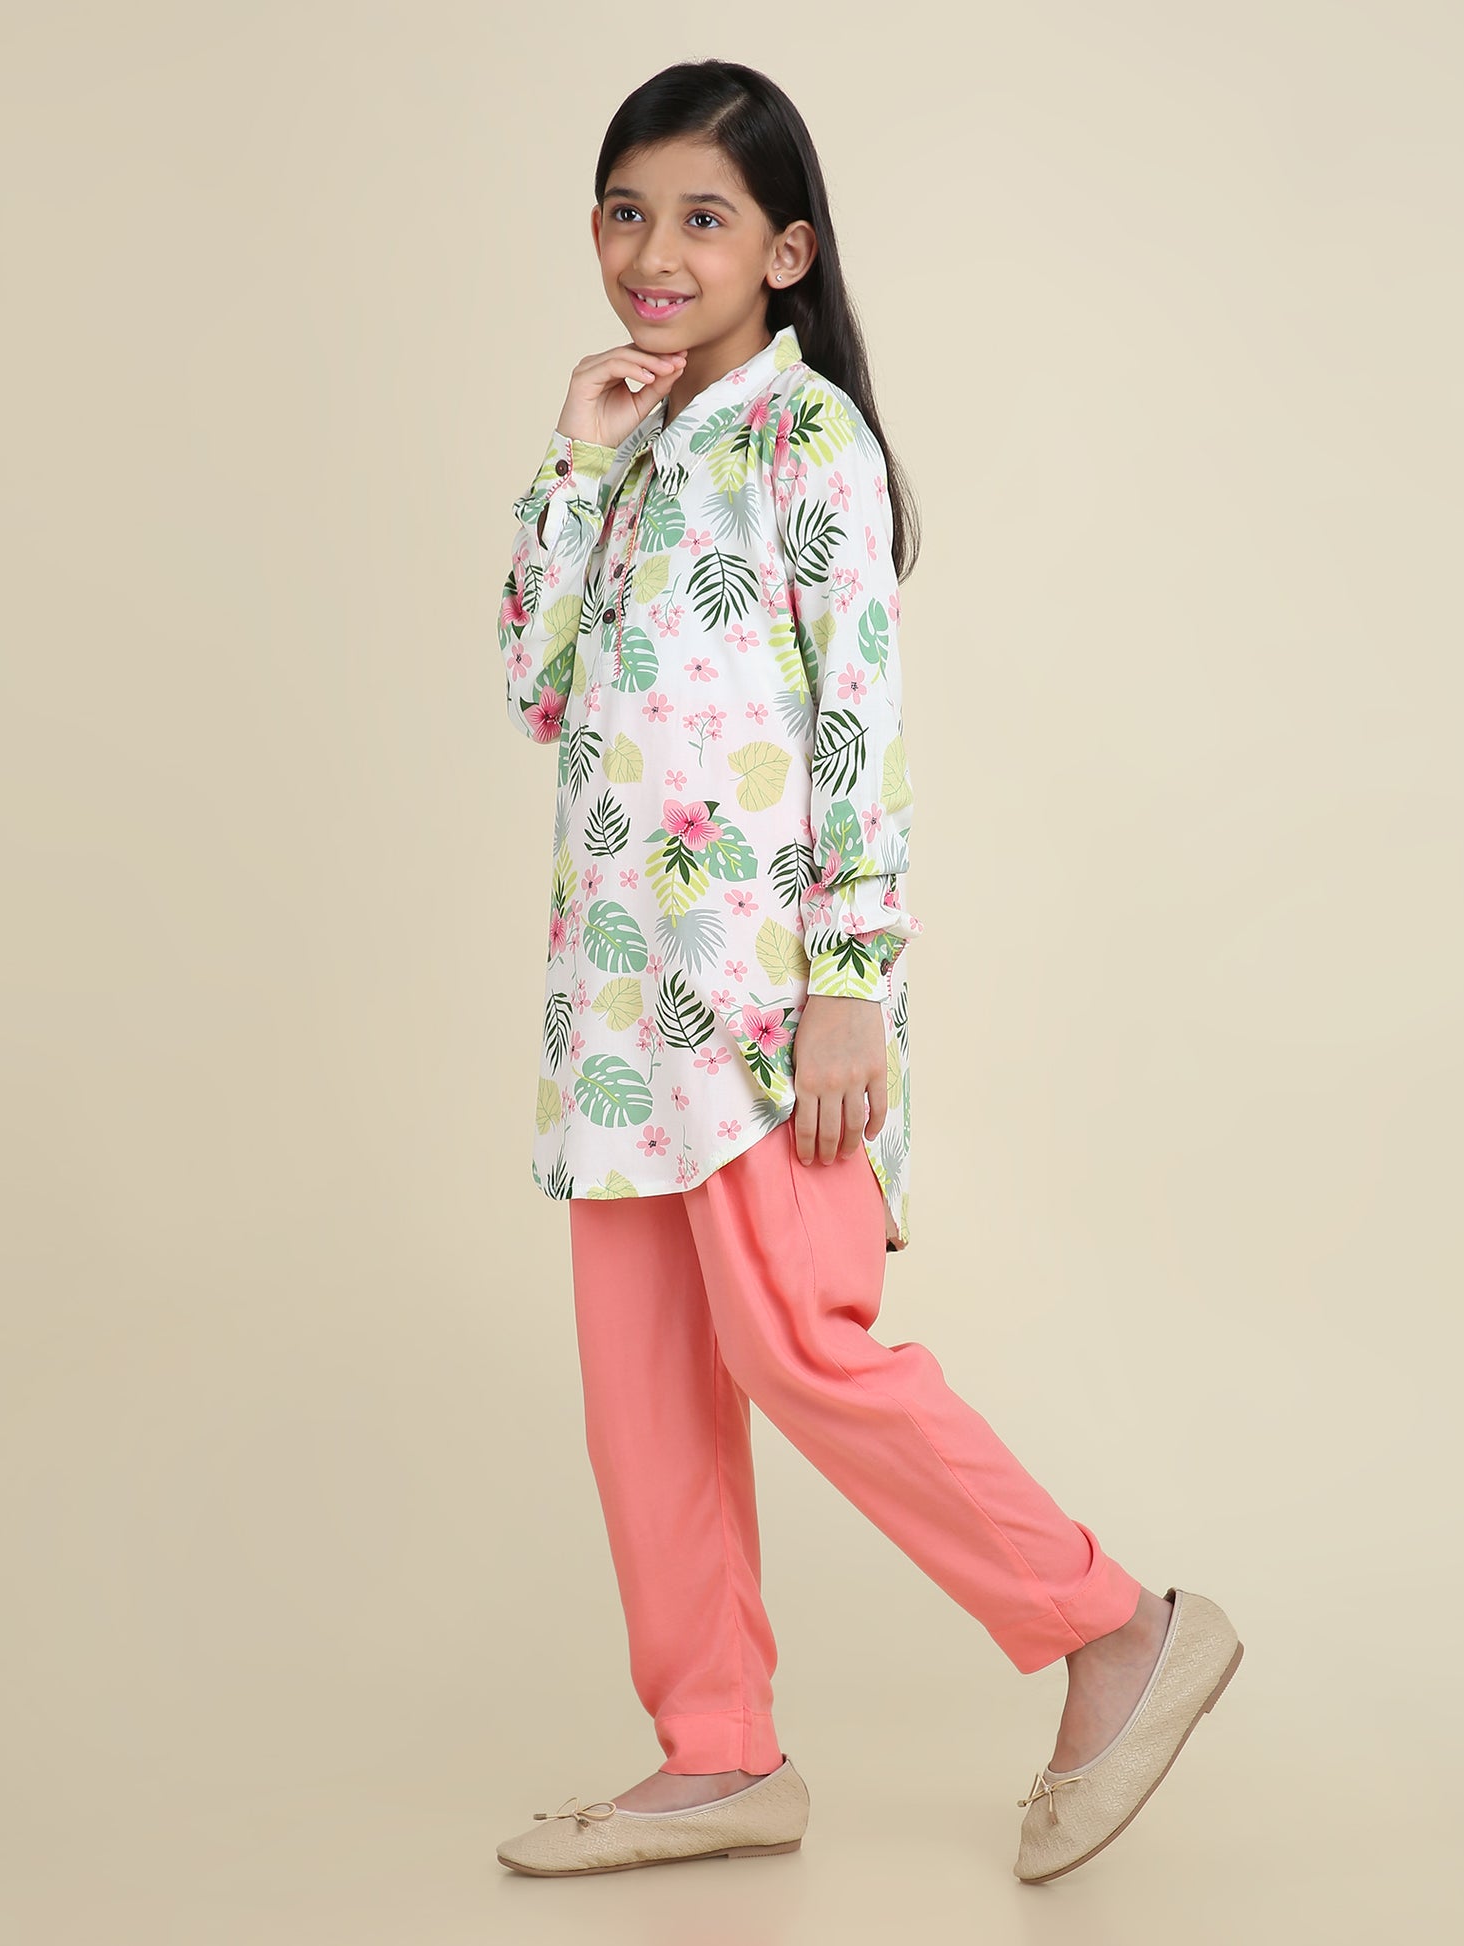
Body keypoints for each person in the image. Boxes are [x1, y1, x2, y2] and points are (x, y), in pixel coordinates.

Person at [492, 59, 1243, 1884]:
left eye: (701, 217)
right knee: (644, 1397)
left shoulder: (806, 441)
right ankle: (716, 1751)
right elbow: (533, 687)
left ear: (784, 249)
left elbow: (859, 726)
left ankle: (1112, 1627)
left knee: (798, 1346)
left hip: (763, 1003)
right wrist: (573, 456)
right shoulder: (633, 442)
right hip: (618, 1013)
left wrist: (849, 979)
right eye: (626, 213)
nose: (654, 252)